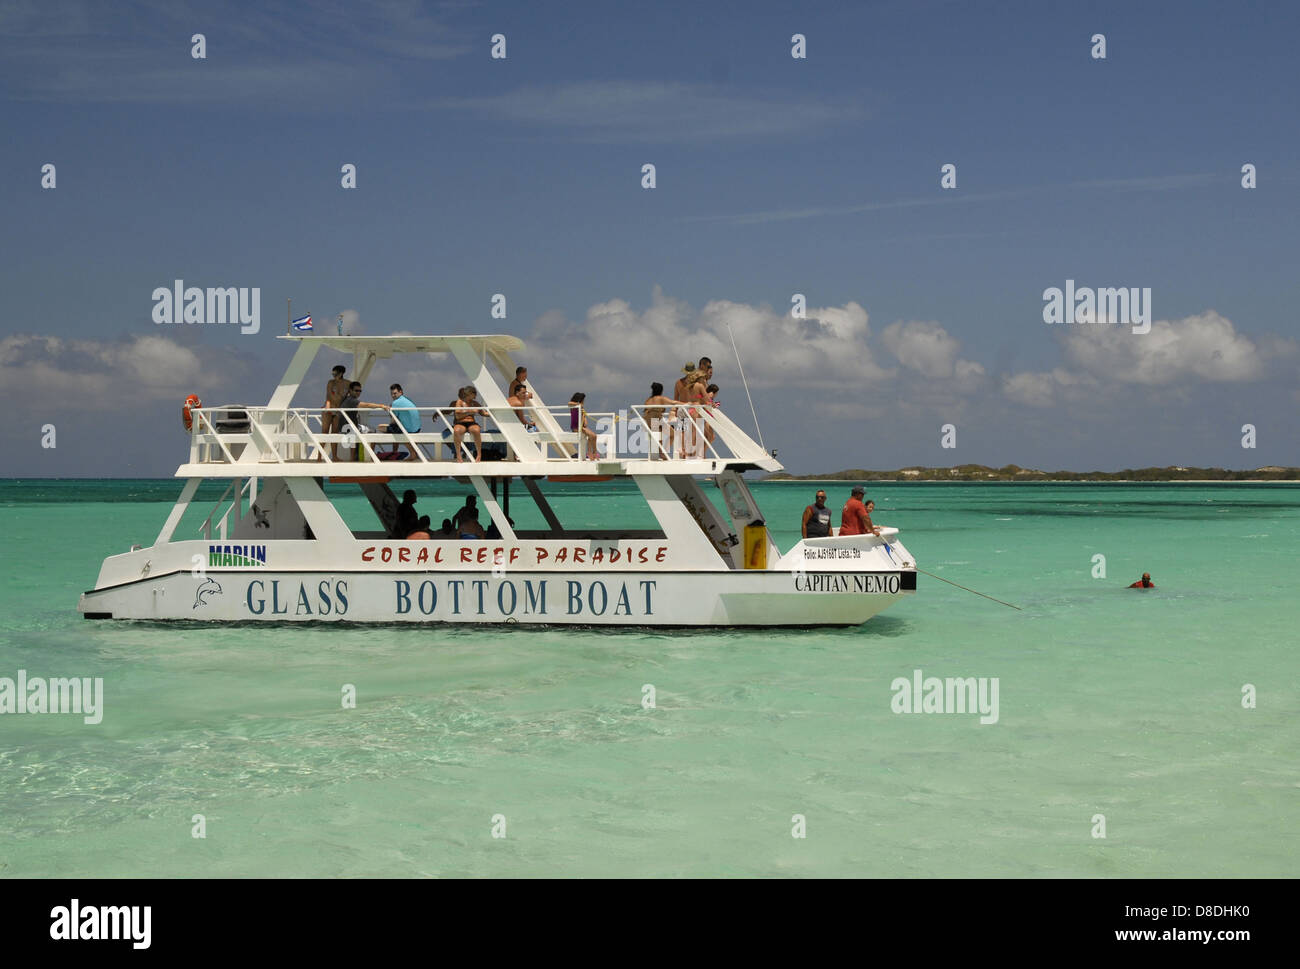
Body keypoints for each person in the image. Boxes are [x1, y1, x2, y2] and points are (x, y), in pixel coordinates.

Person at [378, 383, 422, 458]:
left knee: (381, 427)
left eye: (395, 393)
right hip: (417, 428)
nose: (393, 396)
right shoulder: (408, 399)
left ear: (401, 392)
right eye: (391, 394)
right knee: (395, 428)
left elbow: (393, 421)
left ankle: (411, 453)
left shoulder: (395, 403)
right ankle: (412, 452)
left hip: (408, 430)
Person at [643, 382, 683, 459]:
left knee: (661, 433)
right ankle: (662, 452)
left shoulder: (648, 400)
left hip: (649, 422)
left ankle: (662, 452)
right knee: (672, 434)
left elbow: (646, 412)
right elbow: (673, 402)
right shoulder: (660, 398)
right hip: (655, 421)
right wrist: (686, 403)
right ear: (661, 391)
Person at [453, 385, 489, 462]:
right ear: (469, 393)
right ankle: (458, 455)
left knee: (476, 430)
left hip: (471, 423)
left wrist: (494, 413)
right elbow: (457, 415)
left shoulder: (475, 403)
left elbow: (483, 413)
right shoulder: (460, 402)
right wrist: (470, 411)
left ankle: (479, 454)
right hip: (461, 422)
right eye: (474, 393)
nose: (476, 395)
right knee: (456, 430)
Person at [321, 365, 348, 459]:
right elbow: (328, 396)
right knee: (324, 432)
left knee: (335, 433)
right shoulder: (331, 383)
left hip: (339, 410)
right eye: (332, 373)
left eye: (335, 374)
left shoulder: (347, 383)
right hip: (329, 408)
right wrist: (327, 408)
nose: (333, 376)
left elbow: (351, 395)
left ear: (341, 373)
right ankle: (319, 457)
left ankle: (335, 456)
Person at [568, 392, 599, 458]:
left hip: (581, 427)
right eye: (583, 400)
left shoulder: (581, 409)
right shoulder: (574, 406)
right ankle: (592, 453)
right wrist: (579, 404)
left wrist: (584, 415)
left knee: (594, 436)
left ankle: (592, 452)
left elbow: (585, 424)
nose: (584, 402)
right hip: (576, 427)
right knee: (591, 435)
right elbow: (569, 403)